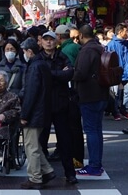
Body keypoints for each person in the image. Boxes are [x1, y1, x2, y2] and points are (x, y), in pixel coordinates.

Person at [39, 30, 78, 185]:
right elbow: (37, 77)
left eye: (51, 40)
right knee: (41, 141)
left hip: (61, 104)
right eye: (46, 39)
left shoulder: (63, 57)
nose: (49, 42)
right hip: (43, 104)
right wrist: (57, 74)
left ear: (57, 41)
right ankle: (43, 172)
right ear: (41, 42)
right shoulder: (38, 58)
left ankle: (70, 173)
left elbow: (69, 74)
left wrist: (50, 74)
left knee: (65, 140)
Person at [19, 38, 56, 189]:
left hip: (35, 112)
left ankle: (35, 177)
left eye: (24, 51)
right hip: (42, 110)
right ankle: (47, 170)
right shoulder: (42, 64)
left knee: (31, 147)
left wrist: (24, 115)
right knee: (34, 145)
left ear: (30, 51)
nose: (23, 54)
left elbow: (31, 93)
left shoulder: (34, 67)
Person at [72, 24, 108, 176]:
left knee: (91, 130)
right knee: (97, 130)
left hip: (89, 95)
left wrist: (69, 74)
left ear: (81, 35)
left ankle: (94, 165)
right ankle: (97, 163)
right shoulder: (100, 48)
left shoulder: (87, 50)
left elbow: (81, 73)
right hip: (102, 93)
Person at [56, 24, 84, 168]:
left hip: (70, 92)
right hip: (80, 90)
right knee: (75, 126)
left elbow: (68, 72)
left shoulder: (64, 51)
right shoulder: (75, 47)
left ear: (59, 37)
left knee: (70, 126)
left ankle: (73, 156)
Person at [106, 23, 128, 121]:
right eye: (126, 31)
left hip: (127, 74)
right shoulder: (111, 44)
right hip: (116, 74)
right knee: (116, 94)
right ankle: (115, 112)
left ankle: (123, 109)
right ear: (120, 32)